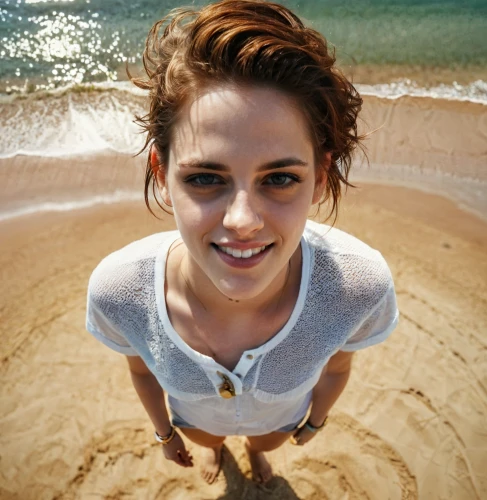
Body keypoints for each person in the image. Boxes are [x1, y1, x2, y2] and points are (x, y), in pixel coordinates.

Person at [86, 0, 399, 485]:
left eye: (279, 179)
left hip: (278, 424)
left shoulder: (356, 286)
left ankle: (256, 453)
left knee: (264, 441)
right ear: (162, 174)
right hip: (195, 424)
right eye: (206, 177)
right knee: (207, 441)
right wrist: (168, 435)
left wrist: (314, 421)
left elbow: (337, 368)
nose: (243, 221)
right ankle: (215, 452)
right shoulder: (119, 291)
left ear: (318, 179)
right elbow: (144, 372)